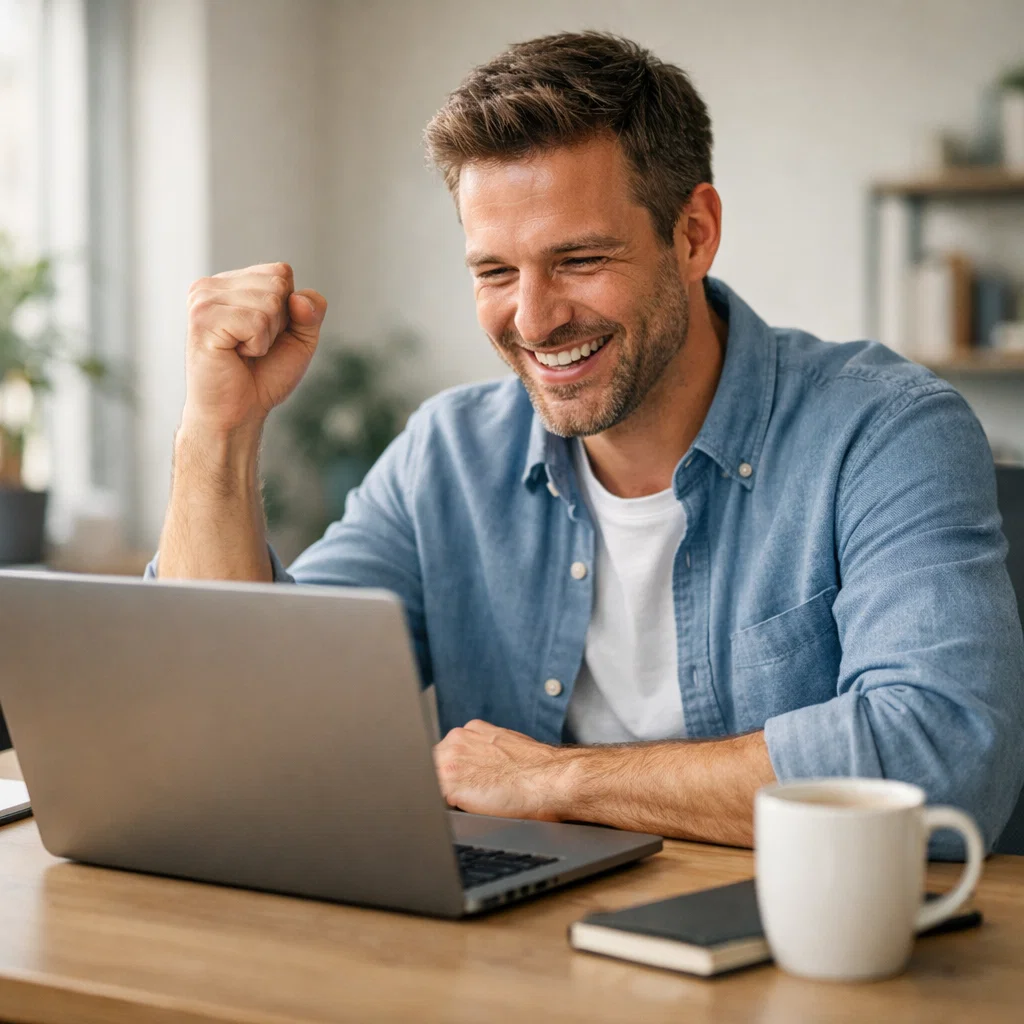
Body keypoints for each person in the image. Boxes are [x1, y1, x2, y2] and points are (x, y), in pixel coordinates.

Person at [150, 31, 1024, 856]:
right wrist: (217, 435)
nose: (533, 319)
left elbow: (944, 758)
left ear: (693, 234)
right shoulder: (446, 458)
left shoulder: (884, 431)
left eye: (578, 260)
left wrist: (556, 780)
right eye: (495, 271)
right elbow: (243, 717)